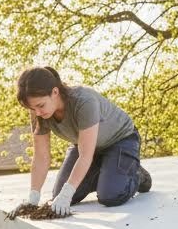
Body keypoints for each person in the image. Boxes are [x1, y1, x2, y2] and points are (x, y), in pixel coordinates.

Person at [9, 67, 152, 217]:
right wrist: (33, 198)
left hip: (120, 140)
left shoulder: (84, 101)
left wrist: (67, 193)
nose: (37, 113)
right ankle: (110, 169)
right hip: (88, 146)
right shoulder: (39, 112)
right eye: (32, 108)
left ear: (55, 92)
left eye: (40, 106)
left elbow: (85, 155)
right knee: (59, 193)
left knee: (110, 195)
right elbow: (41, 157)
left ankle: (135, 173)